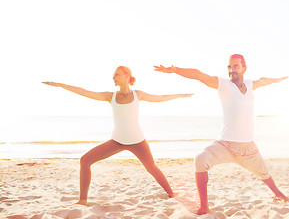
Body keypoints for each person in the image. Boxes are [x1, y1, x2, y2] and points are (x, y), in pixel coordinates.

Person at [154, 54, 289, 215]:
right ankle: (204, 206)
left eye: (236, 66)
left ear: (244, 68)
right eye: (229, 67)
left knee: (265, 174)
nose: (232, 70)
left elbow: (264, 80)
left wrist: (279, 79)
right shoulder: (223, 84)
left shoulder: (250, 84)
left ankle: (278, 194)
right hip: (224, 145)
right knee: (200, 159)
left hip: (248, 148)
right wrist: (175, 70)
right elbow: (198, 75)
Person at [42, 66, 192, 206]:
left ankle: (172, 193)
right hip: (117, 141)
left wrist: (179, 95)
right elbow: (84, 92)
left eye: (117, 75)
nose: (114, 77)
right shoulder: (110, 96)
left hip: (137, 141)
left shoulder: (138, 94)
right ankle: (82, 201)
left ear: (127, 76)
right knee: (85, 160)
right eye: (113, 75)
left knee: (152, 168)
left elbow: (160, 97)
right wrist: (60, 85)